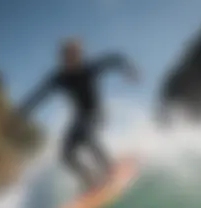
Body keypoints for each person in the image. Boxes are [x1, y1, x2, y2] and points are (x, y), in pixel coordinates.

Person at [18, 38, 139, 193]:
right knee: (66, 154)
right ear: (62, 58)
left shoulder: (89, 69)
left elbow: (114, 59)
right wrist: (22, 111)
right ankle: (90, 180)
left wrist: (129, 69)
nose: (70, 59)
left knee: (87, 135)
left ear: (79, 56)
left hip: (96, 113)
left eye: (74, 55)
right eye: (67, 56)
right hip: (79, 118)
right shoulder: (60, 78)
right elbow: (40, 94)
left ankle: (110, 169)